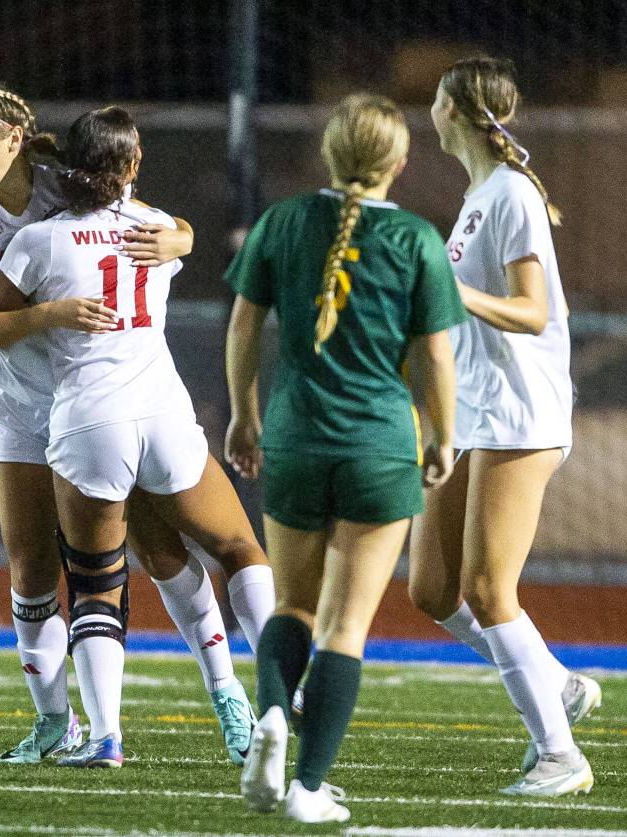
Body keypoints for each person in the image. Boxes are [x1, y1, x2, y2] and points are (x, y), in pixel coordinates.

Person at [0, 85, 273, 766]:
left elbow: (164, 226)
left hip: (88, 411)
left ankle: (191, 706)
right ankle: (55, 721)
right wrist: (51, 314)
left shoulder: (63, 198)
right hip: (35, 410)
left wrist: (179, 232)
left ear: (14, 137)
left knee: (126, 561)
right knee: (33, 573)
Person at [224, 93, 465, 822]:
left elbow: (242, 326)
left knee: (292, 603)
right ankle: (307, 788)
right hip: (377, 448)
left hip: (294, 438)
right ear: (399, 161)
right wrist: (441, 433)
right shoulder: (418, 239)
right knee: (343, 626)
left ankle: (270, 713)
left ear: (330, 154)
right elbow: (434, 355)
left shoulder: (283, 221)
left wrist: (244, 415)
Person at [407, 56, 599, 797]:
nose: (427, 110)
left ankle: (560, 755)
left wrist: (448, 292)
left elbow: (532, 310)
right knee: (431, 588)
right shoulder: (480, 195)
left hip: (522, 410)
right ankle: (555, 681)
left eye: (434, 99)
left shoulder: (513, 193)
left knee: (490, 589)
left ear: (454, 110)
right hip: (478, 414)